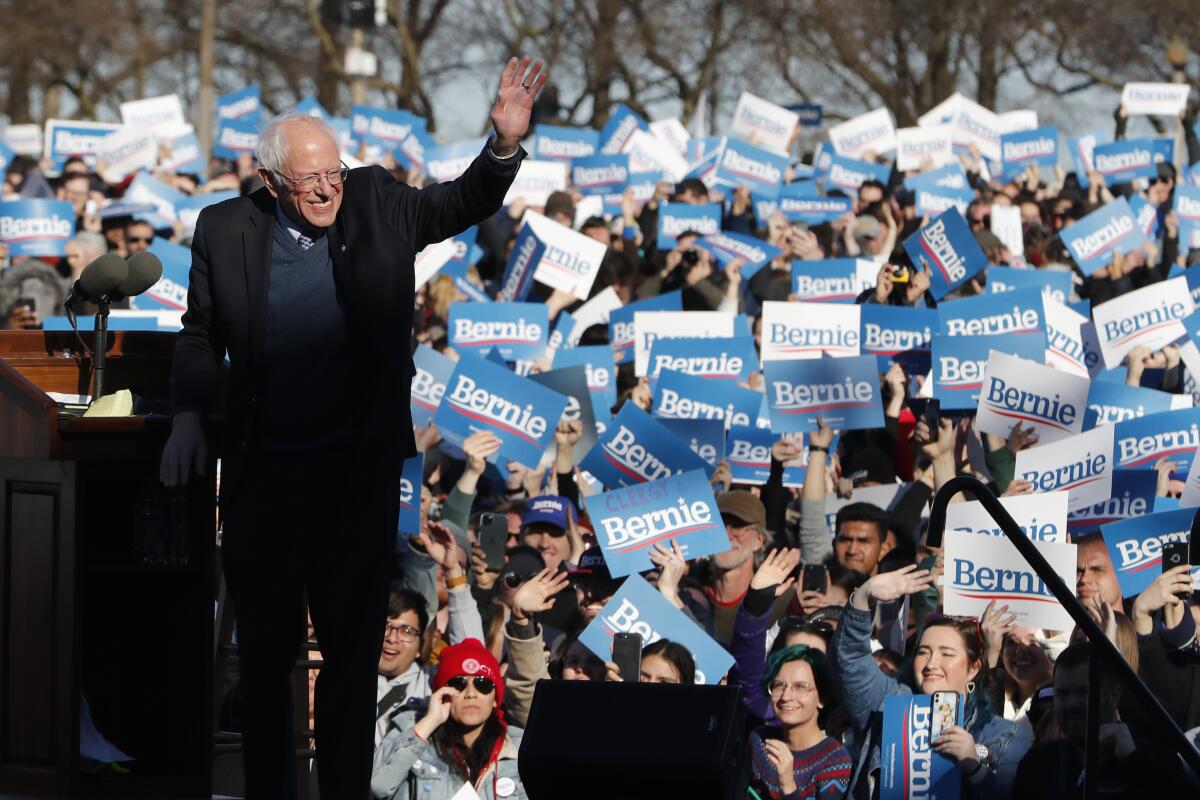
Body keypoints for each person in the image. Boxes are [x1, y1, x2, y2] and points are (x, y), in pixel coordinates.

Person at [160, 56, 547, 800]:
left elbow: (457, 204)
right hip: (265, 480)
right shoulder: (224, 229)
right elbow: (200, 334)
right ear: (272, 184)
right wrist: (185, 417)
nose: (328, 188)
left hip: (354, 481)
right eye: (311, 181)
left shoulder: (374, 198)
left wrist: (500, 146)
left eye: (333, 172)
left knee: (349, 662)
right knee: (269, 665)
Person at [830, 565, 1032, 799]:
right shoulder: (888, 703)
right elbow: (849, 660)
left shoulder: (1001, 734)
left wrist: (975, 768)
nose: (931, 664)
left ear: (973, 668)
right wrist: (865, 596)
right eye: (924, 652)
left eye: (946, 654)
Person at [1010, 641, 1196, 798]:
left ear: (1114, 695)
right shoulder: (1039, 764)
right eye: (1063, 694)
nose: (1072, 704)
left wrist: (1135, 762)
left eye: (1084, 692)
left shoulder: (1157, 760)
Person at [372, 639, 526, 800]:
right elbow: (376, 784)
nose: (471, 693)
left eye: (483, 684)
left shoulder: (519, 746)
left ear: (495, 698)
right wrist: (430, 721)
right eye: (458, 684)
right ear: (442, 693)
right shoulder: (412, 728)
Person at [748, 645, 853, 800]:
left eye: (800, 687)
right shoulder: (759, 741)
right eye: (778, 686)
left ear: (822, 699)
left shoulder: (834, 759)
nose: (786, 697)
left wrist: (788, 785)